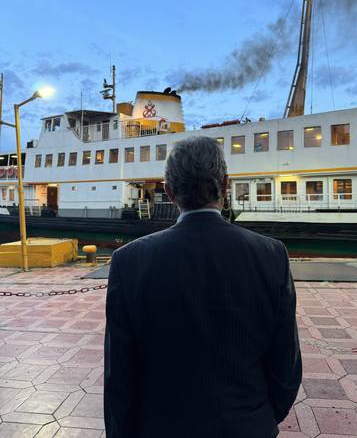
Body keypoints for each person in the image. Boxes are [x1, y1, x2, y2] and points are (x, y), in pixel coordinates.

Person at [104, 136, 302, 438]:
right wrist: (258, 417)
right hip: (247, 426)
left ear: (169, 191)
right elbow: (286, 365)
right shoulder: (271, 254)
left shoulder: (128, 261)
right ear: (225, 185)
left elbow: (119, 374)